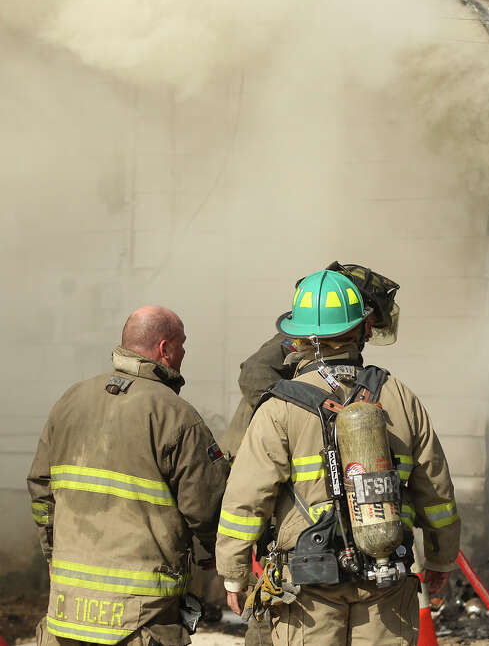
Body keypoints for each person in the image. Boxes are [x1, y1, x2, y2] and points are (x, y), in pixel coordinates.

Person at [216, 270, 460, 646]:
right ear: (363, 329)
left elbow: (246, 498)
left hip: (309, 581)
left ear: (297, 336)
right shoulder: (400, 396)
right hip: (386, 576)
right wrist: (442, 559)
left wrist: (233, 574)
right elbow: (437, 493)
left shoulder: (279, 406)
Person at [27, 305, 230, 646]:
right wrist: (218, 556)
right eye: (182, 344)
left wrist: (52, 553)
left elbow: (40, 490)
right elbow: (208, 506)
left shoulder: (69, 401)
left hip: (67, 612)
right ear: (165, 349)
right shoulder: (176, 415)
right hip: (142, 619)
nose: (184, 353)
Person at [220, 262, 401, 462]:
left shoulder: (330, 348)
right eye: (368, 322)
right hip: (247, 458)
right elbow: (253, 372)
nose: (368, 334)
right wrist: (296, 418)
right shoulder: (305, 339)